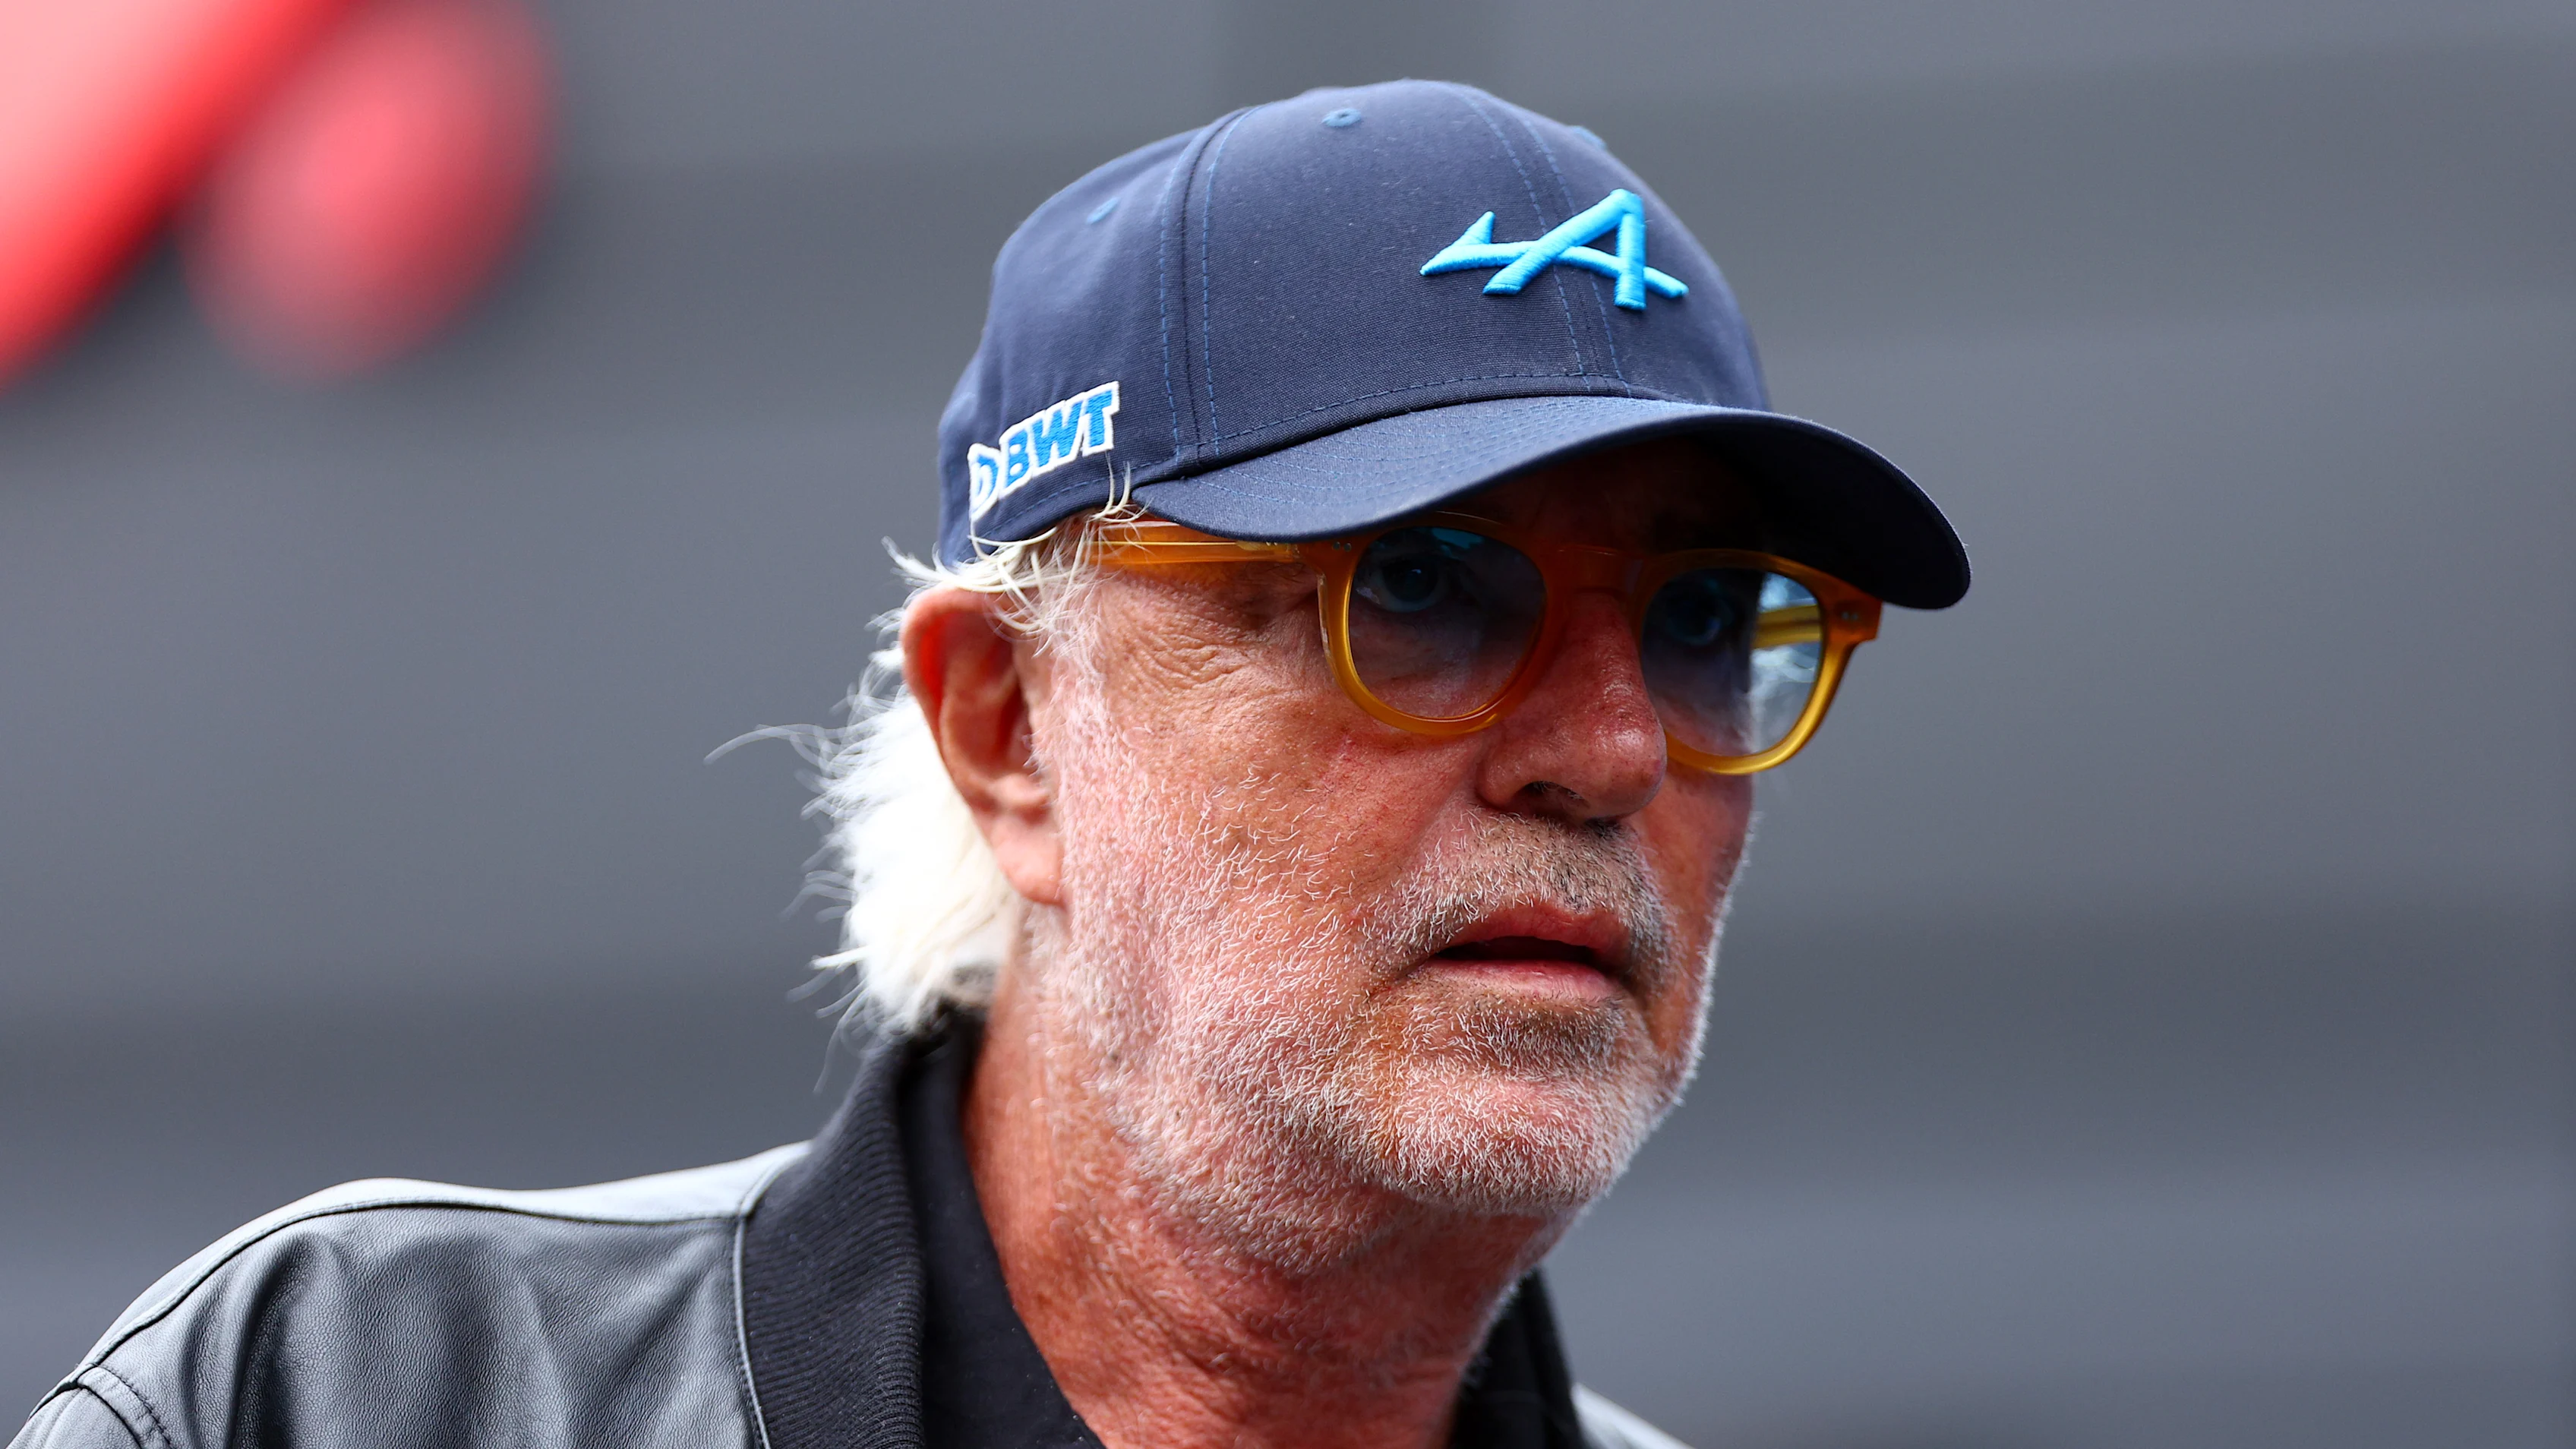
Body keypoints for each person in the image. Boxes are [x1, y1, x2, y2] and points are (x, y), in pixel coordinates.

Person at [14, 80, 1966, 1449]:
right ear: (1011, 730)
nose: (1615, 747)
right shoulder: (355, 1398)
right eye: (1425, 593)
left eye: (1707, 620)